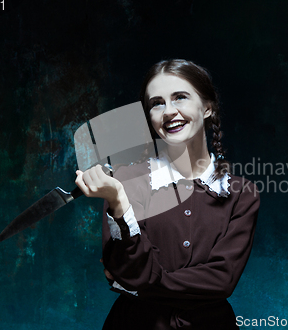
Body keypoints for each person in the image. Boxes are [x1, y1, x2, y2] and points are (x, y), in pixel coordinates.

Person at [75, 59, 260, 329]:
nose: (168, 111)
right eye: (157, 103)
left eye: (180, 98)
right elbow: (126, 268)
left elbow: (222, 281)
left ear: (207, 107)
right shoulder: (124, 182)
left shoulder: (242, 194)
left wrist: (141, 285)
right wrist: (118, 201)